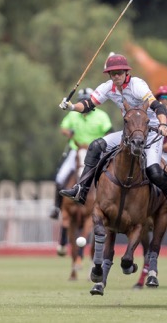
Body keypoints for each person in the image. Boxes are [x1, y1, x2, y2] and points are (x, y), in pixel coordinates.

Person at [58, 54, 167, 221]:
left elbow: (158, 106)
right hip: (130, 132)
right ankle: (81, 189)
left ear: (126, 72)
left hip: (152, 130)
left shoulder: (137, 85)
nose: (116, 76)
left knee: (153, 170)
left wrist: (162, 124)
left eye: (119, 72)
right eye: (112, 73)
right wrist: (72, 106)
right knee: (95, 146)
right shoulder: (107, 87)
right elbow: (88, 104)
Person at [50, 87, 112, 240]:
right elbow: (63, 128)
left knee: (108, 179)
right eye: (81, 100)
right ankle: (57, 207)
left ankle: (109, 207)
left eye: (86, 100)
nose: (83, 103)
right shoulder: (73, 115)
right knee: (60, 177)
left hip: (96, 153)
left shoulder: (101, 116)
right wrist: (68, 133)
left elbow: (109, 131)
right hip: (75, 151)